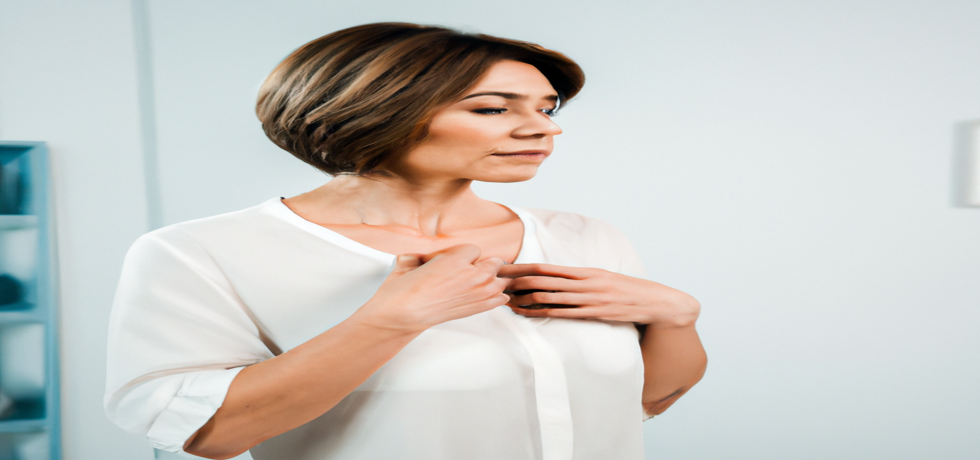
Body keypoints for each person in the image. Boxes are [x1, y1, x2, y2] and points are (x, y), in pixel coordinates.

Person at [105, 22, 707, 460]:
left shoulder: (585, 237)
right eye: (493, 109)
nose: (542, 129)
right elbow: (209, 434)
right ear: (376, 111)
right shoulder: (203, 253)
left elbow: (646, 399)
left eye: (547, 109)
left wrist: (677, 316)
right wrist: (390, 321)